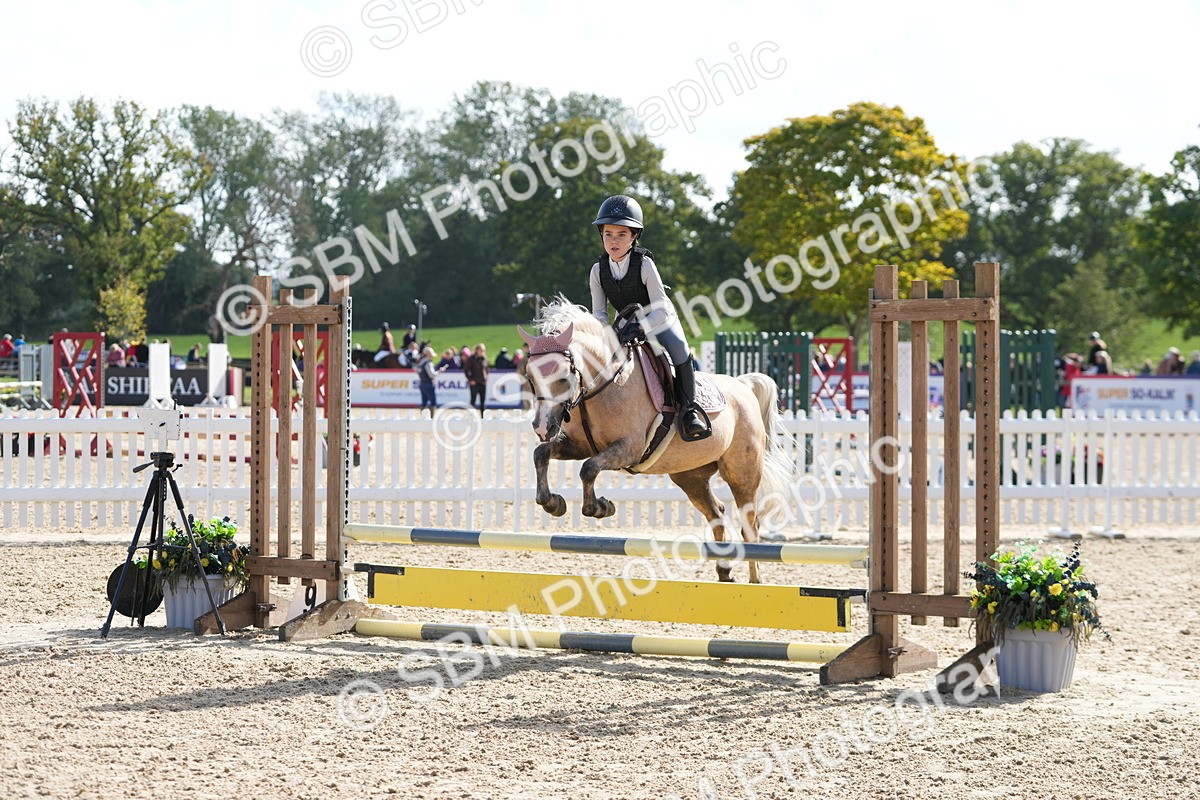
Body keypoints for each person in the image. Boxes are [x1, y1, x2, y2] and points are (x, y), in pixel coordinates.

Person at [587, 195, 710, 440]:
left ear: (634, 237)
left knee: (679, 349)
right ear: (601, 235)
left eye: (622, 234)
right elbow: (599, 314)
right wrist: (606, 333)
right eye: (609, 233)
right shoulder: (597, 271)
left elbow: (662, 307)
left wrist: (642, 326)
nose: (614, 240)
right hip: (626, 322)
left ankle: (689, 410)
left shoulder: (644, 264)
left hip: (658, 318)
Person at [416, 345, 444, 418]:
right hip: (428, 384)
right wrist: (440, 371)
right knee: (433, 402)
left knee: (424, 402)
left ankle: (422, 417)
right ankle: (432, 418)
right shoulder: (428, 363)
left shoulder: (421, 362)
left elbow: (418, 371)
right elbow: (432, 375)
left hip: (422, 384)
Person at [464, 343, 489, 417]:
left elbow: (487, 369)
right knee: (473, 401)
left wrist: (486, 378)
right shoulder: (471, 359)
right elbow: (466, 370)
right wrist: (470, 379)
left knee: (483, 401)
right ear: (477, 350)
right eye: (481, 350)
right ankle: (471, 416)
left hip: (483, 383)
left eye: (483, 350)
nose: (482, 351)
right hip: (474, 383)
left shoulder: (485, 358)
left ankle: (482, 417)